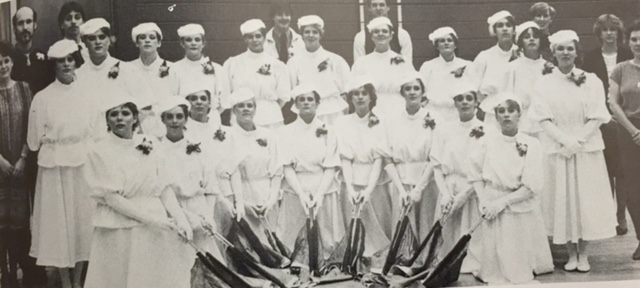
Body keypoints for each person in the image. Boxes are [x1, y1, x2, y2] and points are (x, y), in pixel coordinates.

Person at [83, 96, 193, 288]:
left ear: (135, 118)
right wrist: (152, 220)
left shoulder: (151, 143)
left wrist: (180, 218)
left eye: (125, 113)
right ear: (107, 120)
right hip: (119, 227)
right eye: (114, 114)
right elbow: (113, 198)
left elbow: (164, 187)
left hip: (156, 225)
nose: (119, 118)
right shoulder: (98, 150)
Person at [531, 30, 616, 272]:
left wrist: (577, 141)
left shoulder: (591, 81)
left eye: (570, 48)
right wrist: (564, 141)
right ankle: (570, 253)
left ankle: (585, 254)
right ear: (553, 53)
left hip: (585, 148)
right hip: (558, 149)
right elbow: (543, 117)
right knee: (563, 199)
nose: (565, 53)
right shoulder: (543, 83)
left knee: (584, 200)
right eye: (561, 49)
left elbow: (597, 115)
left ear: (577, 52)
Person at [27, 39, 96, 288]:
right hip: (54, 169)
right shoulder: (42, 98)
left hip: (81, 167)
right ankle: (65, 283)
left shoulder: (87, 93)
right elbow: (33, 142)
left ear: (76, 62)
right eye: (60, 61)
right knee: (59, 226)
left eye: (70, 59)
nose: (66, 65)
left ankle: (77, 282)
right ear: (53, 66)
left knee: (80, 224)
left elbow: (95, 132)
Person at [469, 94, 553, 284]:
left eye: (511, 110)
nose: (506, 115)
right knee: (492, 264)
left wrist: (503, 202)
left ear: (519, 115)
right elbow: (475, 175)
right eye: (501, 111)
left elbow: (531, 185)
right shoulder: (486, 142)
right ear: (496, 116)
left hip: (518, 203)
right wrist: (484, 200)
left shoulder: (532, 144)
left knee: (517, 266)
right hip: (491, 203)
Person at [154, 96, 225, 283]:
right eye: (169, 117)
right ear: (163, 120)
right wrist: (183, 217)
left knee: (210, 267)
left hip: (201, 211)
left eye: (179, 116)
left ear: (186, 119)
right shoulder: (157, 151)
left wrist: (208, 216)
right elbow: (162, 189)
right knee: (181, 269)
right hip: (174, 213)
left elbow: (210, 187)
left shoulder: (198, 148)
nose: (175, 121)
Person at [275, 83, 344, 262]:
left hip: (324, 187)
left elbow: (331, 165)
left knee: (328, 236)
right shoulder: (285, 131)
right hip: (296, 188)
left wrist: (320, 194)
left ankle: (328, 266)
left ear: (317, 103)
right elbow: (287, 166)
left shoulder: (329, 130)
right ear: (295, 105)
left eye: (310, 99)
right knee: (293, 236)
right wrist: (301, 194)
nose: (306, 103)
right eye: (301, 100)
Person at [0, 42, 46, 288]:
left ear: (12, 62)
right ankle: (5, 277)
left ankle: (26, 276)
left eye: (5, 60)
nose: (2, 66)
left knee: (20, 227)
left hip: (20, 168)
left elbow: (32, 127)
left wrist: (22, 159)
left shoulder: (24, 89)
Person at [582, 14, 633, 236]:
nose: (609, 33)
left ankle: (621, 215)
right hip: (601, 123)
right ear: (599, 33)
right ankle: (607, 216)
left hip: (625, 120)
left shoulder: (628, 55)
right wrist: (604, 114)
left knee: (622, 171)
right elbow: (586, 91)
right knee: (605, 170)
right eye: (605, 30)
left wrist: (622, 114)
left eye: (613, 29)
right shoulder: (591, 58)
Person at [334, 76, 390, 269]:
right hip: (350, 178)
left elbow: (378, 158)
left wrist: (368, 189)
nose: (359, 97)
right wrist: (350, 188)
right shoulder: (341, 123)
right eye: (355, 94)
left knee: (378, 224)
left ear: (371, 97)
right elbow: (345, 158)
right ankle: (353, 258)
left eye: (364, 93)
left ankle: (377, 260)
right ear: (350, 98)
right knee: (351, 221)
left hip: (375, 181)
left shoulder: (380, 122)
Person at [429, 82, 485, 274]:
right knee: (447, 234)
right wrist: (445, 193)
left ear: (476, 102)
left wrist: (465, 194)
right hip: (449, 186)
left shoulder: (487, 130)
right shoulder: (444, 129)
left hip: (473, 189)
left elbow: (486, 170)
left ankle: (469, 262)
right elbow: (436, 165)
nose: (464, 102)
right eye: (460, 99)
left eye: (469, 98)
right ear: (455, 103)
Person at [382, 71, 438, 241]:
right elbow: (387, 158)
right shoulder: (391, 120)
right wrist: (400, 189)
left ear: (422, 92)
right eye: (408, 89)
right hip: (401, 181)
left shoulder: (435, 119)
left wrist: (419, 188)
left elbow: (435, 157)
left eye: (416, 88)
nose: (412, 92)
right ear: (402, 93)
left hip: (427, 180)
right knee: (403, 227)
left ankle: (424, 262)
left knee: (426, 224)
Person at [75, 18, 153, 137]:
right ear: (84, 42)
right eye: (92, 38)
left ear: (109, 40)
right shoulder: (78, 75)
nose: (97, 42)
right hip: (89, 141)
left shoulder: (127, 70)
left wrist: (127, 130)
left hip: (120, 141)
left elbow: (145, 105)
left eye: (102, 37)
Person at [608, 20, 640, 260]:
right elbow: (613, 103)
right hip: (629, 133)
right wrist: (632, 130)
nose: (638, 44)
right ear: (628, 42)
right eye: (634, 39)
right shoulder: (620, 69)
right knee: (632, 189)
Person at [223, 19, 290, 129]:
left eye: (258, 36)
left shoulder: (276, 65)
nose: (255, 40)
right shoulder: (233, 63)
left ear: (264, 38)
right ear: (245, 39)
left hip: (270, 118)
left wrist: (266, 107)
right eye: (250, 37)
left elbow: (283, 97)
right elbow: (227, 92)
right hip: (242, 117)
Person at [288, 15, 350, 124]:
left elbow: (344, 92)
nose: (311, 35)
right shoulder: (294, 62)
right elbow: (293, 90)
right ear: (302, 35)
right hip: (306, 112)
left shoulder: (335, 60)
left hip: (332, 112)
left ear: (320, 35)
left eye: (315, 32)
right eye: (307, 32)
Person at [352, 17, 414, 118]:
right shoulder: (362, 62)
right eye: (376, 32)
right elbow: (354, 89)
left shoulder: (403, 61)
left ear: (390, 36)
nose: (380, 34)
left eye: (385, 31)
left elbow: (412, 86)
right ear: (372, 37)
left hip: (398, 108)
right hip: (372, 109)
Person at [129, 22, 179, 138]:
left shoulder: (173, 69)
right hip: (137, 127)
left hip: (165, 127)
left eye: (152, 38)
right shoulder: (129, 69)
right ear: (137, 43)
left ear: (159, 43)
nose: (147, 41)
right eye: (142, 38)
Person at [173, 23, 230, 126]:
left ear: (203, 43)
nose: (193, 43)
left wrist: (210, 114)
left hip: (211, 120)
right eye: (188, 40)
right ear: (182, 43)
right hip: (184, 121)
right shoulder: (174, 69)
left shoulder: (217, 69)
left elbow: (225, 101)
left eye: (197, 40)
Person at [470, 10, 518, 125]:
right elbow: (472, 84)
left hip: (516, 110)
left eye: (508, 25)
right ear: (494, 31)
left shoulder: (521, 54)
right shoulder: (485, 56)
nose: (505, 29)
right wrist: (482, 104)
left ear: (514, 30)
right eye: (500, 26)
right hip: (491, 111)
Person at [504, 21, 550, 136]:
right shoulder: (512, 67)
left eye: (535, 37)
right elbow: (507, 97)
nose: (531, 39)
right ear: (521, 42)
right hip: (522, 124)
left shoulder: (549, 67)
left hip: (545, 124)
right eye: (527, 37)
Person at [418, 26, 472, 123]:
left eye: (449, 40)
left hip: (458, 114)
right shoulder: (428, 66)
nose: (446, 43)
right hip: (434, 112)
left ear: (455, 45)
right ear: (437, 46)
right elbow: (421, 91)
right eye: (442, 41)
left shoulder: (466, 65)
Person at [11, 6, 55, 94]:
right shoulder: (9, 61)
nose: (25, 27)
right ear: (14, 29)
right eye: (20, 23)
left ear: (35, 25)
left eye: (28, 22)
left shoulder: (45, 59)